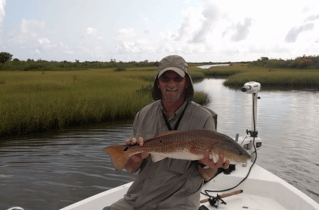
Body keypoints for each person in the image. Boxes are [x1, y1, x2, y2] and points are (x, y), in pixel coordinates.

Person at [105, 55, 229, 210]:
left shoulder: (204, 118)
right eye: (165, 79)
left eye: (178, 79)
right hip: (137, 199)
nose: (171, 84)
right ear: (158, 83)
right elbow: (131, 169)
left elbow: (207, 175)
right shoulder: (143, 114)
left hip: (178, 202)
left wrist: (209, 165)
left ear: (186, 83)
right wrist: (135, 158)